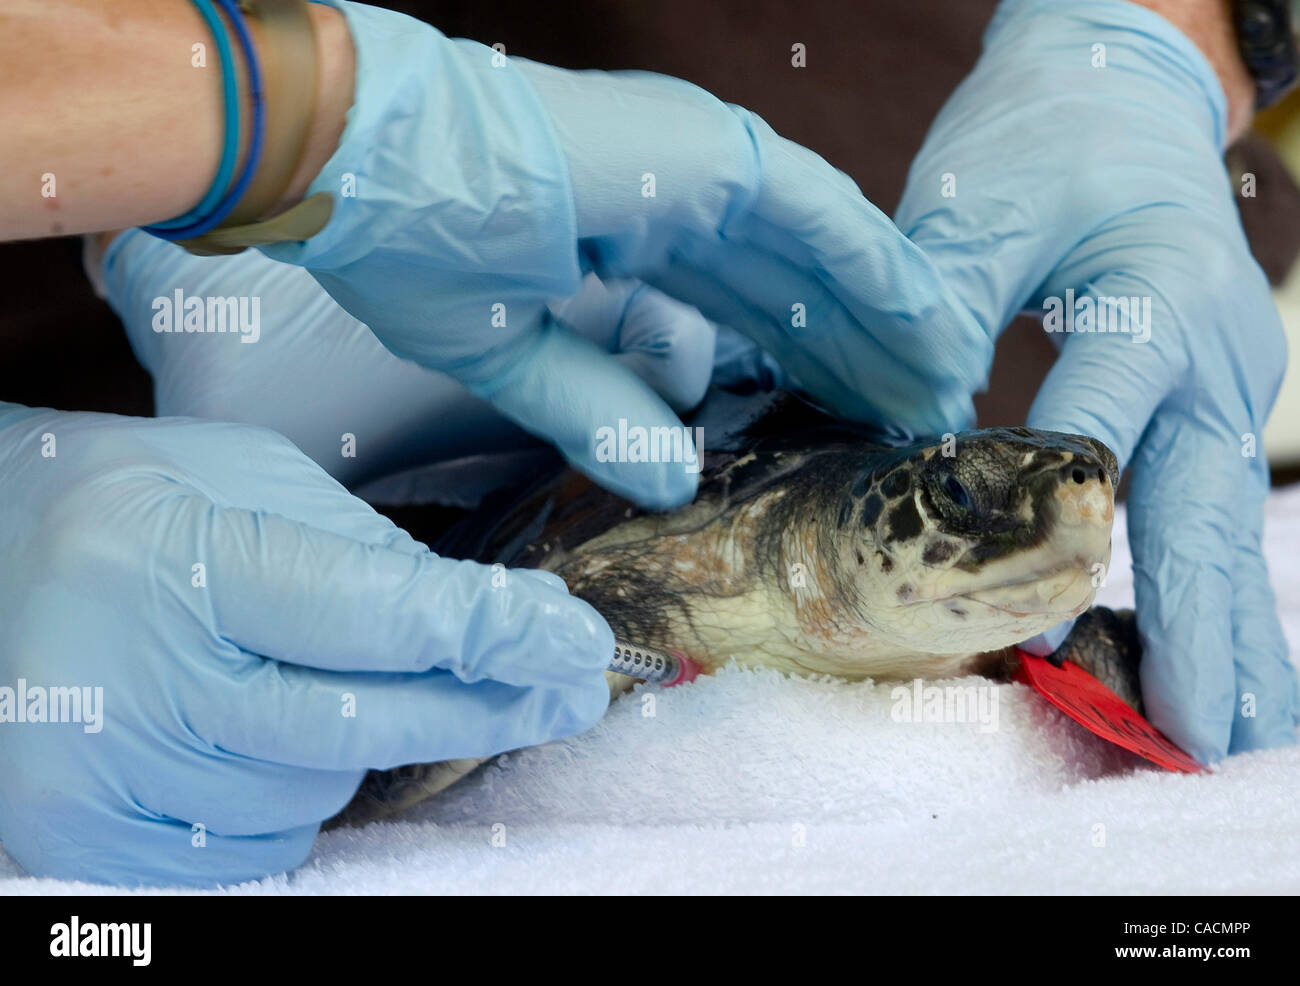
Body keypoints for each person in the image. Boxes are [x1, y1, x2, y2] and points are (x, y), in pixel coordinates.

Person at [0, 0, 1293, 887]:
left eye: (1085, 497)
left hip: (914, 280)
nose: (1069, 507)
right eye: (966, 499)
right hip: (128, 377)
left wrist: (1166, 40)